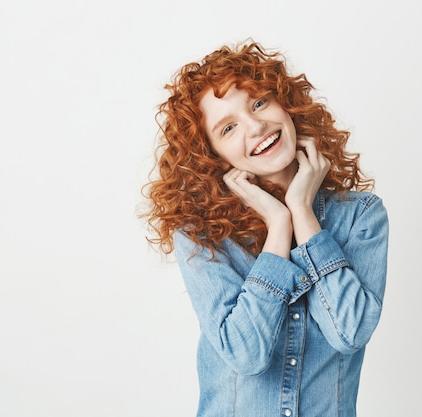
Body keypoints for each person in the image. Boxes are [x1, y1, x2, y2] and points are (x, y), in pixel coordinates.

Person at [140, 40, 389, 417]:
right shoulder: (201, 235)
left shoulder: (360, 216)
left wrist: (302, 212)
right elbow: (245, 354)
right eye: (228, 128)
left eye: (258, 103)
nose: (256, 126)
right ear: (212, 156)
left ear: (287, 104)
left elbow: (348, 333)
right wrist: (278, 225)